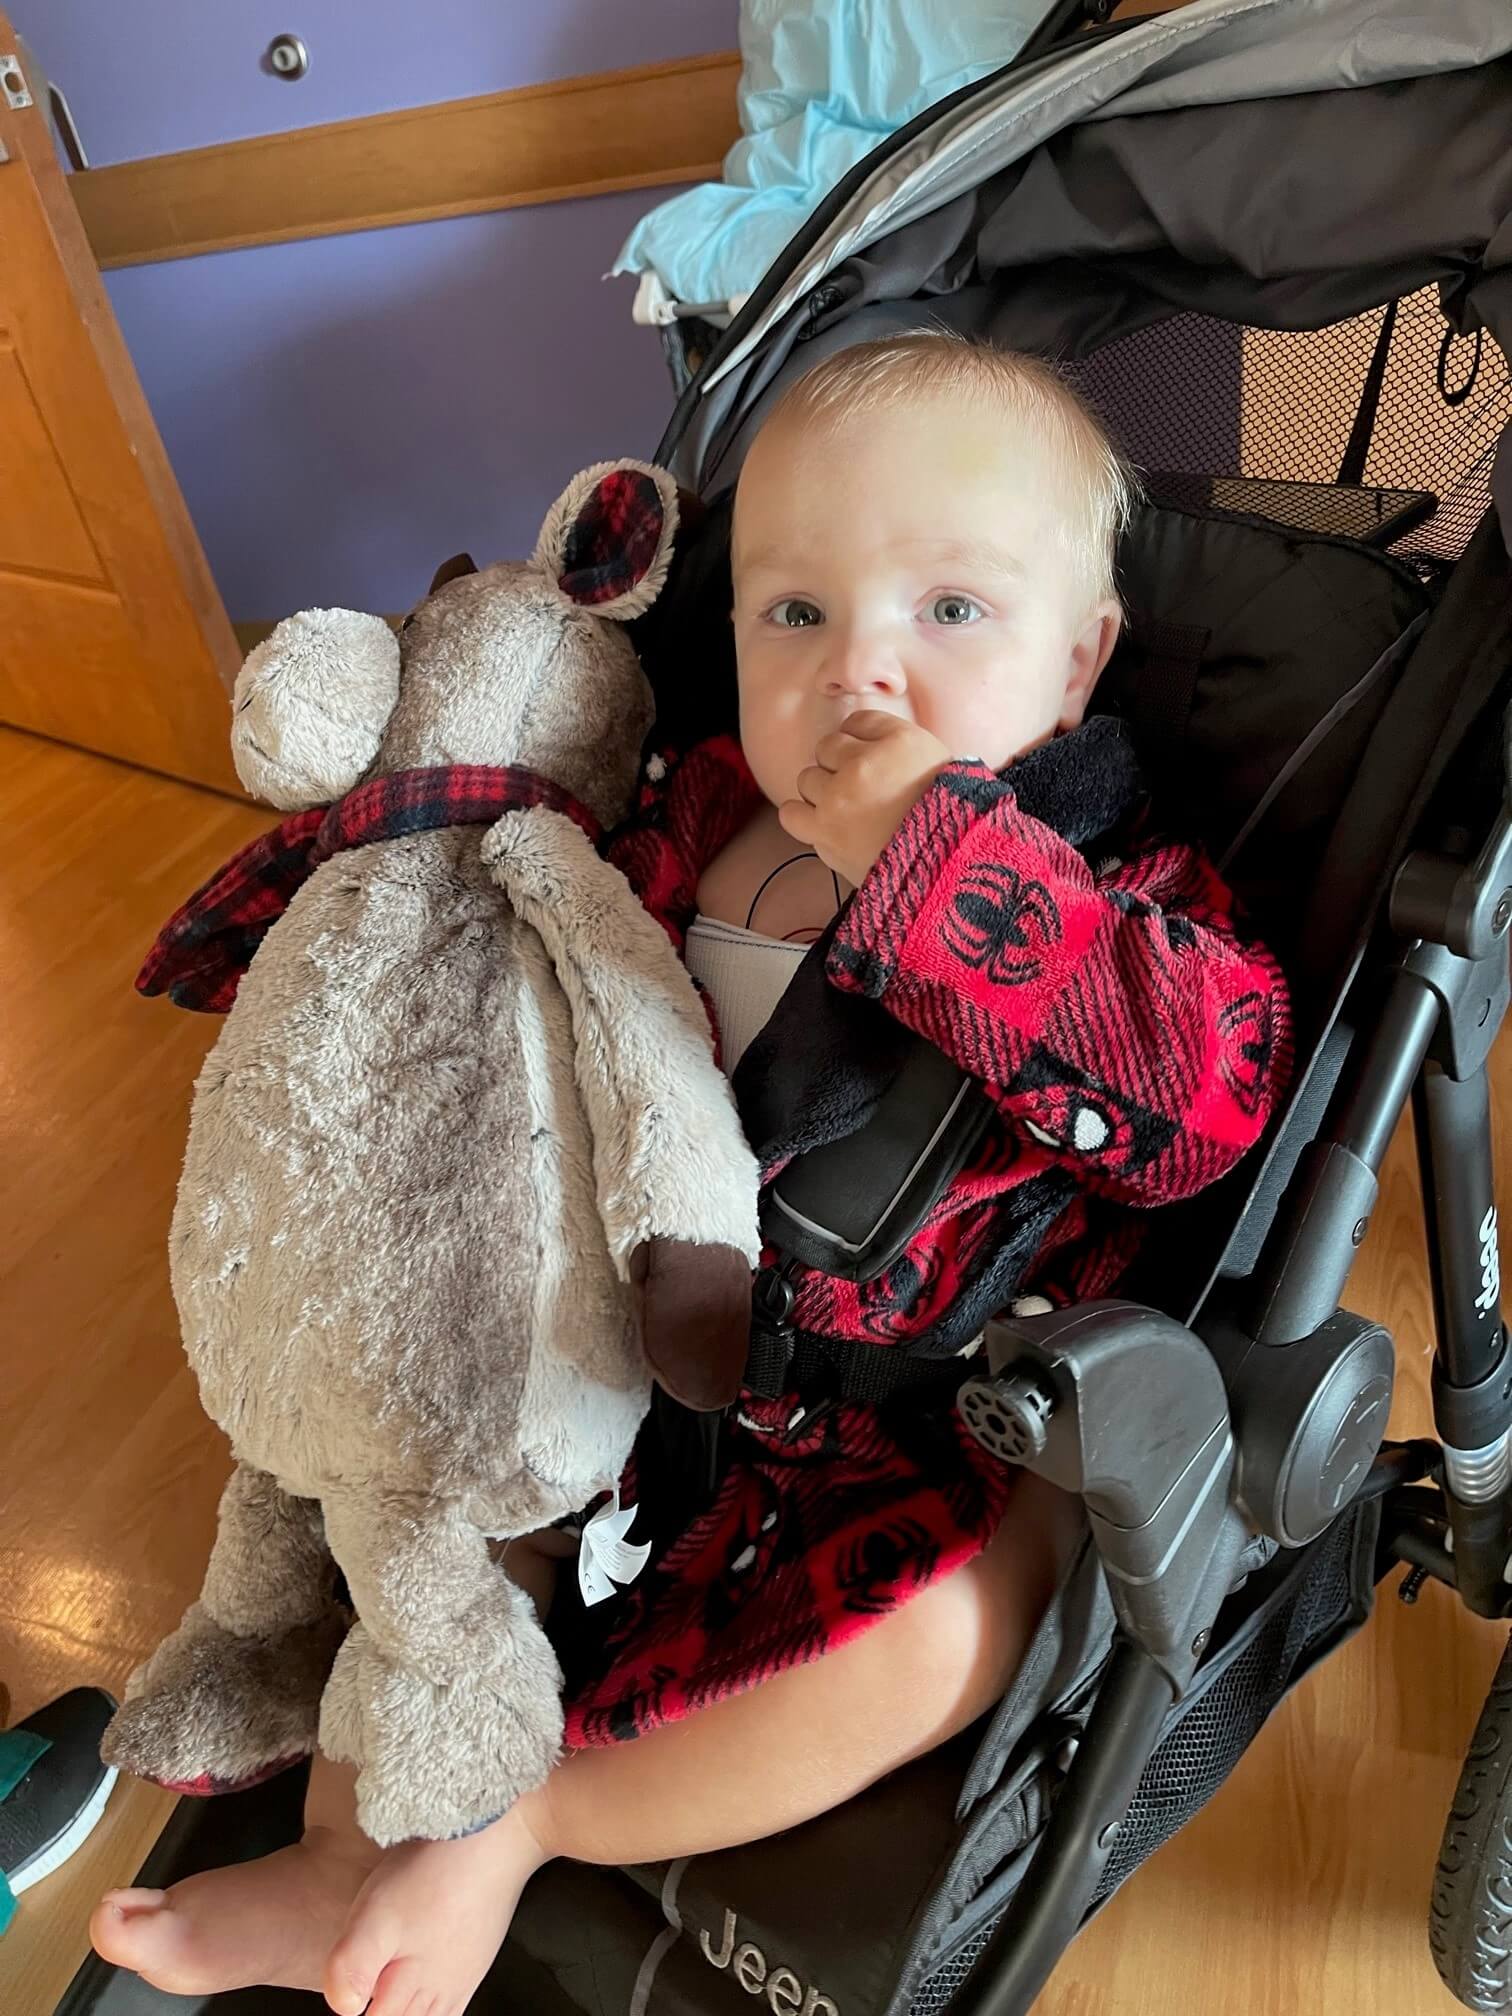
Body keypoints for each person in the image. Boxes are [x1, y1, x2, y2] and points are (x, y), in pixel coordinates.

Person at [91, 333, 1290, 2016]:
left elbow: (1203, 1102)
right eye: (796, 615)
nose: (862, 675)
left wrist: (935, 869)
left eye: (950, 613)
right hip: (594, 1368)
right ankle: (351, 1843)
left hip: (894, 1440)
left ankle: (531, 1830)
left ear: (1080, 659)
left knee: (952, 1634)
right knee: (419, 1498)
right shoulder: (686, 817)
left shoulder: (1107, 890)